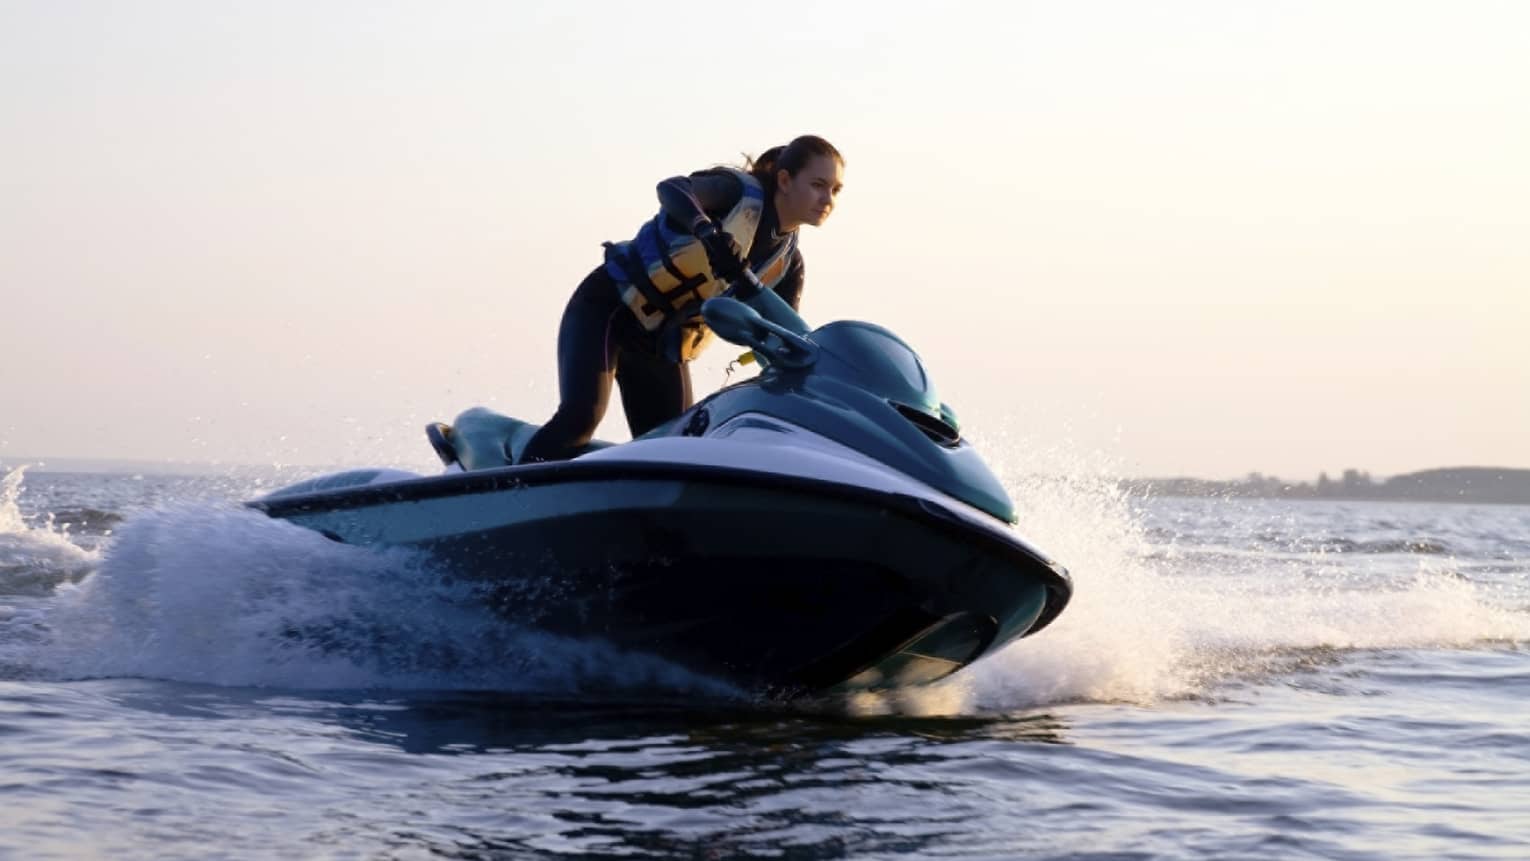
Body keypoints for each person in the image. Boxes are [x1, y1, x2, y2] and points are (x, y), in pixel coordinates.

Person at [516, 135, 845, 464]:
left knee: (676, 453)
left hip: (661, 346)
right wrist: (707, 232)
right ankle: (509, 492)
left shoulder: (787, 264)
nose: (827, 198)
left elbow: (783, 340)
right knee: (580, 418)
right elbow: (671, 189)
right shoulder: (736, 194)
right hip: (609, 309)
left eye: (835, 190)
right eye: (818, 184)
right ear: (785, 180)